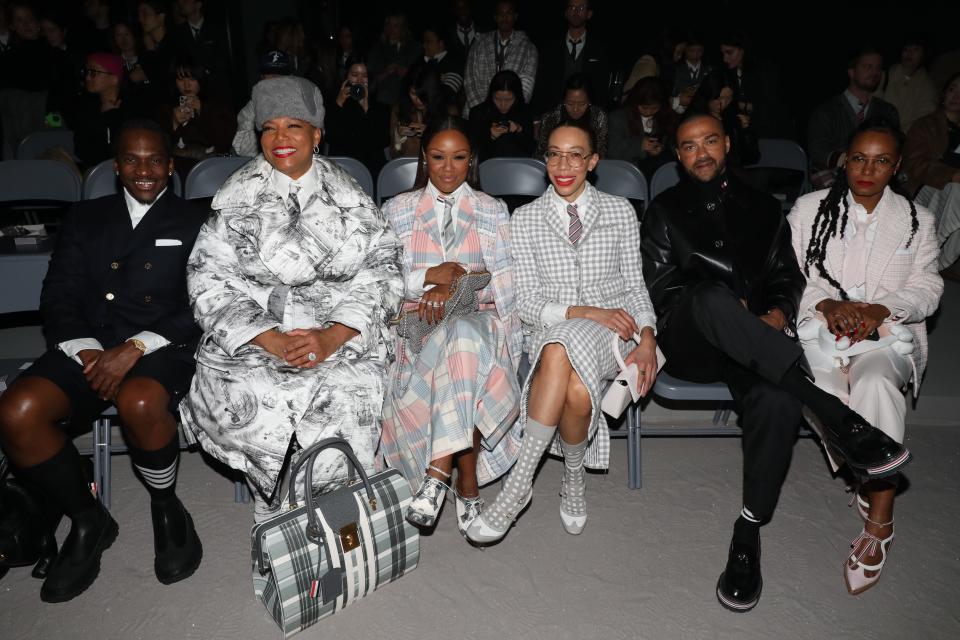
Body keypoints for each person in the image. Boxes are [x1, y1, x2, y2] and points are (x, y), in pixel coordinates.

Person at [639, 111, 912, 612]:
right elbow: (659, 289)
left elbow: (788, 275)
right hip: (693, 339)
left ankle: (748, 529)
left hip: (759, 346)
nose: (701, 153)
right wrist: (727, 308)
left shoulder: (765, 207)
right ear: (677, 156)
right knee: (706, 297)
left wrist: (778, 312)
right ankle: (834, 412)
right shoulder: (664, 211)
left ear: (726, 144)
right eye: (688, 146)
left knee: (778, 399)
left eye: (710, 142)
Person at [0, 119, 206, 602]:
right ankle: (89, 518)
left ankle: (165, 504)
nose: (144, 170)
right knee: (16, 411)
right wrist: (90, 352)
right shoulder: (85, 217)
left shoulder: (196, 221)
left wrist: (133, 349)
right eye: (132, 160)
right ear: (116, 168)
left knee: (138, 402)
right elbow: (58, 296)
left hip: (161, 346)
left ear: (171, 166)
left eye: (154, 159)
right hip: (87, 346)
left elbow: (202, 303)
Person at [179, 76, 403, 520]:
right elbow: (207, 279)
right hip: (255, 338)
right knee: (261, 390)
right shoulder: (234, 199)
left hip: (340, 335)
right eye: (269, 128)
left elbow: (385, 273)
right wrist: (270, 338)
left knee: (346, 388)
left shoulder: (352, 198)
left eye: (293, 127)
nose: (280, 139)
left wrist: (333, 336)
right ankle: (274, 508)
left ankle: (328, 509)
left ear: (316, 134)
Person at [466, 120, 660, 543]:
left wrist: (647, 338)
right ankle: (573, 478)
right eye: (554, 153)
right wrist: (586, 312)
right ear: (544, 160)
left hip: (614, 336)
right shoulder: (527, 218)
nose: (563, 164)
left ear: (592, 161)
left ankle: (518, 486)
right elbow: (527, 303)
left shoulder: (619, 211)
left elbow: (635, 286)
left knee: (561, 350)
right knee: (569, 377)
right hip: (550, 329)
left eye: (575, 154)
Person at [788, 119, 943, 596]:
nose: (867, 169)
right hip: (821, 331)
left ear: (896, 167)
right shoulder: (810, 209)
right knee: (826, 395)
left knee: (874, 385)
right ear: (844, 161)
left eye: (880, 161)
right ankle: (865, 465)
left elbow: (929, 287)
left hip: (887, 334)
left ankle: (880, 518)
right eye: (858, 158)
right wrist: (827, 305)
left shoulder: (917, 220)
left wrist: (882, 309)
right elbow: (790, 276)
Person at [380, 116, 523, 536]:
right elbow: (382, 284)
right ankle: (469, 485)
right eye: (438, 157)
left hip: (484, 329)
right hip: (419, 335)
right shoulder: (397, 210)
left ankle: (437, 473)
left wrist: (459, 283)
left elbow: (506, 289)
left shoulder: (492, 210)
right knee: (460, 349)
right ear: (424, 157)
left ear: (471, 160)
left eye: (459, 158)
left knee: (464, 335)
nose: (447, 168)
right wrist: (430, 277)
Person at [807, 47, 900, 188]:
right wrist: (853, 161)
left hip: (874, 176)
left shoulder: (887, 111)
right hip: (835, 176)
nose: (875, 72)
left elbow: (895, 148)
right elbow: (817, 150)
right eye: (868, 67)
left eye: (878, 68)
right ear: (851, 72)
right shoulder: (826, 111)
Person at [903, 73, 960, 273]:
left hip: (953, 198)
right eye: (953, 89)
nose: (957, 95)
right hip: (922, 188)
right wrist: (952, 176)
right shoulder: (926, 125)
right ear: (944, 93)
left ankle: (937, 264)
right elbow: (916, 165)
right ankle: (932, 256)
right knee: (956, 190)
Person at [156, 55, 234, 176]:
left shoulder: (217, 104)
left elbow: (224, 144)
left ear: (201, 79)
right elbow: (158, 147)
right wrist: (174, 122)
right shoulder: (166, 107)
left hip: (212, 167)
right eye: (181, 79)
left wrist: (203, 111)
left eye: (192, 79)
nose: (186, 85)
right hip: (178, 168)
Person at [532, 0, 610, 114]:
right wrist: (537, 117)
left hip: (587, 114)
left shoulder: (600, 49)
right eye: (572, 7)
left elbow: (602, 88)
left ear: (589, 14)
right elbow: (541, 84)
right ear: (566, 12)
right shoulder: (550, 47)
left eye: (581, 8)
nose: (576, 11)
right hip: (553, 113)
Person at [463, 0, 538, 115]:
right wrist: (484, 112)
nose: (504, 17)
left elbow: (526, 88)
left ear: (515, 16)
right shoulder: (479, 42)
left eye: (508, 13)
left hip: (512, 115)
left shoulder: (528, 47)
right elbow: (470, 80)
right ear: (495, 17)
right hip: (477, 112)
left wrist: (504, 111)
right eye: (500, 14)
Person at [324, 55, 391, 177]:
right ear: (346, 77)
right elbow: (329, 137)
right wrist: (339, 103)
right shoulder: (334, 103)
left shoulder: (381, 107)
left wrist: (366, 108)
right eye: (354, 75)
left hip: (371, 169)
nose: (359, 81)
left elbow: (380, 142)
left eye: (364, 76)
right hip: (342, 169)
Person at [608, 77, 676, 179]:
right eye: (644, 107)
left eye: (654, 108)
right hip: (625, 175)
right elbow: (611, 150)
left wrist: (659, 150)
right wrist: (640, 145)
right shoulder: (619, 117)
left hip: (656, 172)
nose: (648, 112)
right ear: (635, 102)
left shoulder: (664, 117)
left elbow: (672, 145)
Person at [689, 70, 759, 167]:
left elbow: (752, 158)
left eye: (728, 98)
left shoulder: (734, 116)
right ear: (708, 95)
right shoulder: (693, 119)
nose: (723, 103)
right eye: (719, 98)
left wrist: (746, 132)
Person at [231, 50, 294, 157]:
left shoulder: (305, 103)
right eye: (270, 75)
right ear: (262, 78)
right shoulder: (252, 107)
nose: (276, 80)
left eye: (280, 74)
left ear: (291, 78)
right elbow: (245, 153)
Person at [72, 52, 128, 171]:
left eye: (93, 73)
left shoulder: (130, 107)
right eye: (86, 72)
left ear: (113, 79)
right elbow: (81, 149)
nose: (87, 77)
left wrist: (110, 116)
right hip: (93, 171)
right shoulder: (87, 106)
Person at [536, 73, 608, 159]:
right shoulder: (551, 117)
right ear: (563, 101)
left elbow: (601, 152)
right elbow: (542, 151)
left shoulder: (598, 116)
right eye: (570, 103)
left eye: (582, 104)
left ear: (589, 102)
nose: (575, 109)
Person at [468, 69, 534, 161]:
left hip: (517, 169)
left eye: (508, 100)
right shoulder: (478, 113)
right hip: (485, 169)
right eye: (497, 99)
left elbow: (531, 150)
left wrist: (519, 131)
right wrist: (490, 137)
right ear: (491, 95)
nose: (503, 105)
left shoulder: (524, 112)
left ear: (517, 97)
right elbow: (472, 152)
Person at [876, 37, 938, 134]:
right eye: (906, 49)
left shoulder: (928, 87)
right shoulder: (886, 74)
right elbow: (873, 104)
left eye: (915, 49)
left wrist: (899, 135)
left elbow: (924, 117)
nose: (909, 53)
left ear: (924, 54)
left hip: (905, 139)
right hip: (877, 132)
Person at [390, 63, 445, 158]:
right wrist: (398, 137)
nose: (418, 100)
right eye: (413, 94)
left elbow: (451, 153)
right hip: (407, 169)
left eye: (423, 96)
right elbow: (394, 155)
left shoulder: (446, 112)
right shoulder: (400, 110)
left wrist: (431, 134)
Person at [367, 13, 421, 108]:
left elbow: (420, 75)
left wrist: (408, 73)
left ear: (403, 28)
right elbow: (370, 77)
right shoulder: (377, 48)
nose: (391, 29)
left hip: (408, 102)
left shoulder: (414, 47)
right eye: (389, 25)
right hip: (383, 101)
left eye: (396, 26)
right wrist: (386, 72)